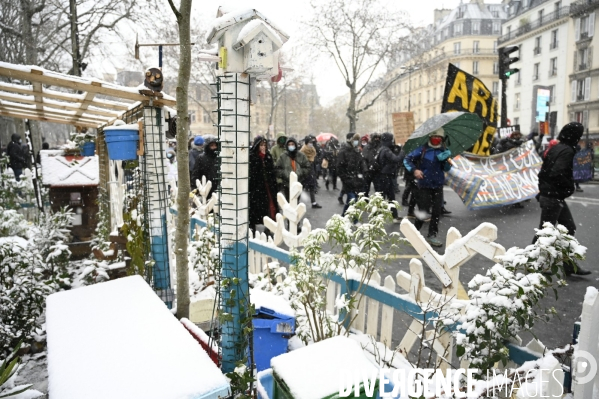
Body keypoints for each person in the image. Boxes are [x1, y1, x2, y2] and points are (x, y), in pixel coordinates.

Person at [535, 122, 590, 275]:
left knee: (563, 228)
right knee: (546, 232)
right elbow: (556, 173)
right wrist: (569, 186)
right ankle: (535, 261)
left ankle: (567, 264)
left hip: (550, 195)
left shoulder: (557, 148)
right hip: (553, 196)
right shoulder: (567, 151)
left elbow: (544, 171)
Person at [403, 128, 452, 247]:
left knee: (436, 212)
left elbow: (446, 169)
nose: (436, 139)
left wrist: (447, 161)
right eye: (434, 137)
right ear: (430, 138)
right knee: (423, 211)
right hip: (424, 185)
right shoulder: (422, 149)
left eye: (439, 138)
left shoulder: (444, 151)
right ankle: (414, 233)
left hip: (438, 185)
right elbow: (407, 160)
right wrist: (415, 170)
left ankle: (432, 235)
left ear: (442, 139)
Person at [249, 136, 278, 234]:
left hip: (268, 187)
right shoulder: (252, 157)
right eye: (261, 145)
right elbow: (252, 174)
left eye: (265, 145)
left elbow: (272, 173)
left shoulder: (268, 157)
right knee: (254, 210)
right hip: (256, 188)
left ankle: (268, 228)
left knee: (270, 208)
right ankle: (252, 229)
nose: (263, 147)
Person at [374, 132, 404, 223]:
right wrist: (402, 152)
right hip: (386, 176)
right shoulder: (386, 150)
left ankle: (393, 216)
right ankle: (378, 217)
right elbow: (396, 159)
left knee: (389, 197)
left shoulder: (382, 148)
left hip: (384, 176)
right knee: (385, 197)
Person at [336, 133, 365, 218]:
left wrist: (362, 174)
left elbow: (361, 164)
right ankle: (354, 220)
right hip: (348, 180)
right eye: (355, 140)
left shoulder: (357, 151)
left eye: (357, 140)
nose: (356, 142)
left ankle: (343, 217)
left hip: (356, 180)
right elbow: (339, 167)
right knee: (352, 199)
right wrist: (345, 178)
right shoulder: (343, 151)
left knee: (352, 201)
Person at [275, 137, 311, 203]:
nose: (291, 146)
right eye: (289, 144)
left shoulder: (301, 156)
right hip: (287, 184)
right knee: (288, 203)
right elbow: (277, 169)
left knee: (296, 202)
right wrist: (285, 174)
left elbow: (307, 167)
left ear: (295, 145)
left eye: (292, 144)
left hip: (298, 183)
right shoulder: (283, 156)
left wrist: (300, 173)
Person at [299, 136, 322, 208]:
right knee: (300, 187)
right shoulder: (302, 150)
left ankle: (313, 202)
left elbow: (315, 157)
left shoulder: (313, 149)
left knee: (312, 186)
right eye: (309, 142)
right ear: (306, 143)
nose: (311, 144)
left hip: (311, 170)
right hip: (304, 170)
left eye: (312, 142)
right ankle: (296, 202)